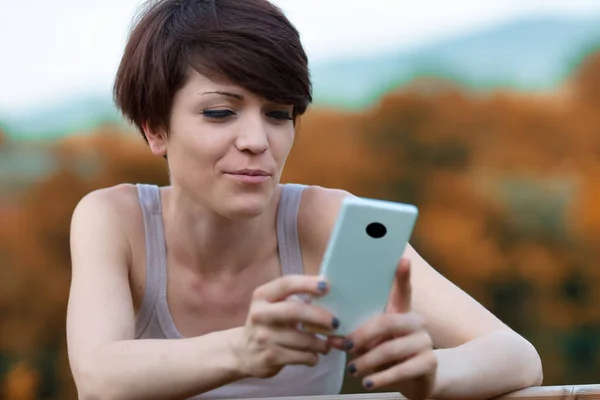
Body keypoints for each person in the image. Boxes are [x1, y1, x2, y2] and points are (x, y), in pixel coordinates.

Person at [65, 0, 543, 399]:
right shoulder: (113, 220)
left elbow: (516, 356)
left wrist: (430, 375)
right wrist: (243, 350)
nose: (257, 140)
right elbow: (98, 376)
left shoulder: (326, 219)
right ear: (156, 128)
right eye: (219, 112)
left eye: (278, 114)